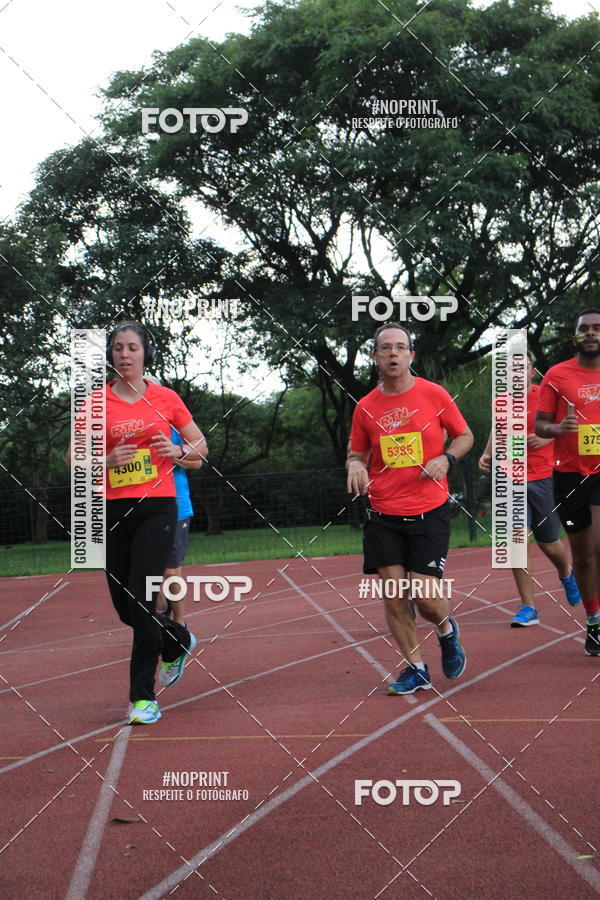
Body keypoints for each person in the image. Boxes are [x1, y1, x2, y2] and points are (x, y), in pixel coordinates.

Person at [67, 322, 208, 724]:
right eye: (117, 348)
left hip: (157, 508)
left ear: (146, 353)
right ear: (110, 355)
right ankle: (178, 639)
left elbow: (201, 448)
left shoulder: (165, 398)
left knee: (142, 599)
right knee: (126, 608)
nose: (124, 354)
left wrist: (178, 450)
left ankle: (142, 698)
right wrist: (105, 460)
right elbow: (72, 458)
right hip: (111, 511)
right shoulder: (95, 403)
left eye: (132, 347)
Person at [346, 322, 473, 694]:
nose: (393, 353)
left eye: (400, 347)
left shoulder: (434, 394)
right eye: (385, 348)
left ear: (411, 355)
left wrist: (447, 458)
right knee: (394, 593)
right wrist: (354, 466)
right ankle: (416, 668)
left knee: (427, 598)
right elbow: (357, 453)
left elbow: (465, 435)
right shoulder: (365, 407)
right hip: (383, 512)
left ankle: (446, 630)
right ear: (375, 356)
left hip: (428, 509)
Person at [479, 351, 581, 626]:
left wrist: (544, 438)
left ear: (532, 372)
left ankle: (566, 572)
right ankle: (529, 607)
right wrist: (486, 454)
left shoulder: (547, 397)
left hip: (544, 476)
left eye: (521, 366)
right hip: (510, 477)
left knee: (549, 544)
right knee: (516, 541)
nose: (516, 371)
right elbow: (497, 430)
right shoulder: (500, 401)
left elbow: (567, 427)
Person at [535, 308, 600, 657]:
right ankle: (594, 621)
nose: (590, 333)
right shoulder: (557, 375)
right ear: (575, 335)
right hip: (570, 475)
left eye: (597, 328)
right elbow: (540, 424)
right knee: (584, 556)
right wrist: (559, 428)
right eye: (584, 328)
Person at [144, 376, 199, 627]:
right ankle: (160, 608)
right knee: (145, 568)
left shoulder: (174, 426)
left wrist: (171, 454)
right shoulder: (127, 427)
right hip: (140, 505)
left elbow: (197, 462)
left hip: (175, 505)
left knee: (169, 568)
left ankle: (180, 623)